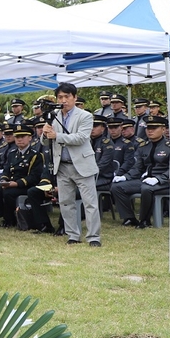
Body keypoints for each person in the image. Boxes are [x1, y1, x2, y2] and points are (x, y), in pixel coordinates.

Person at [41, 82, 100, 247]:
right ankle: (73, 235)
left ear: (74, 97)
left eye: (67, 96)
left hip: (82, 164)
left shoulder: (85, 116)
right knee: (65, 202)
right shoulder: (54, 115)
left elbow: (81, 138)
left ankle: (94, 237)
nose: (64, 100)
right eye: (60, 97)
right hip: (62, 165)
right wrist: (45, 134)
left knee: (90, 203)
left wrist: (56, 136)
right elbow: (45, 142)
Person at [110, 114, 170, 228]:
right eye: (148, 128)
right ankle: (129, 217)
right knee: (116, 187)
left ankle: (145, 220)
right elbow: (138, 167)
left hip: (165, 182)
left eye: (154, 128)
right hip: (146, 180)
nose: (150, 131)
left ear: (163, 129)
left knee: (146, 189)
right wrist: (125, 177)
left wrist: (159, 179)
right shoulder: (144, 146)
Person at [0, 121, 43, 229]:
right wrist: (4, 180)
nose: (19, 139)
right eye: (17, 137)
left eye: (22, 137)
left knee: (9, 193)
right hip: (11, 184)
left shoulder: (36, 155)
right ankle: (3, 215)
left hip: (26, 185)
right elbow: (6, 170)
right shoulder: (12, 154)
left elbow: (34, 177)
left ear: (30, 138)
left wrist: (16, 184)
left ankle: (9, 220)